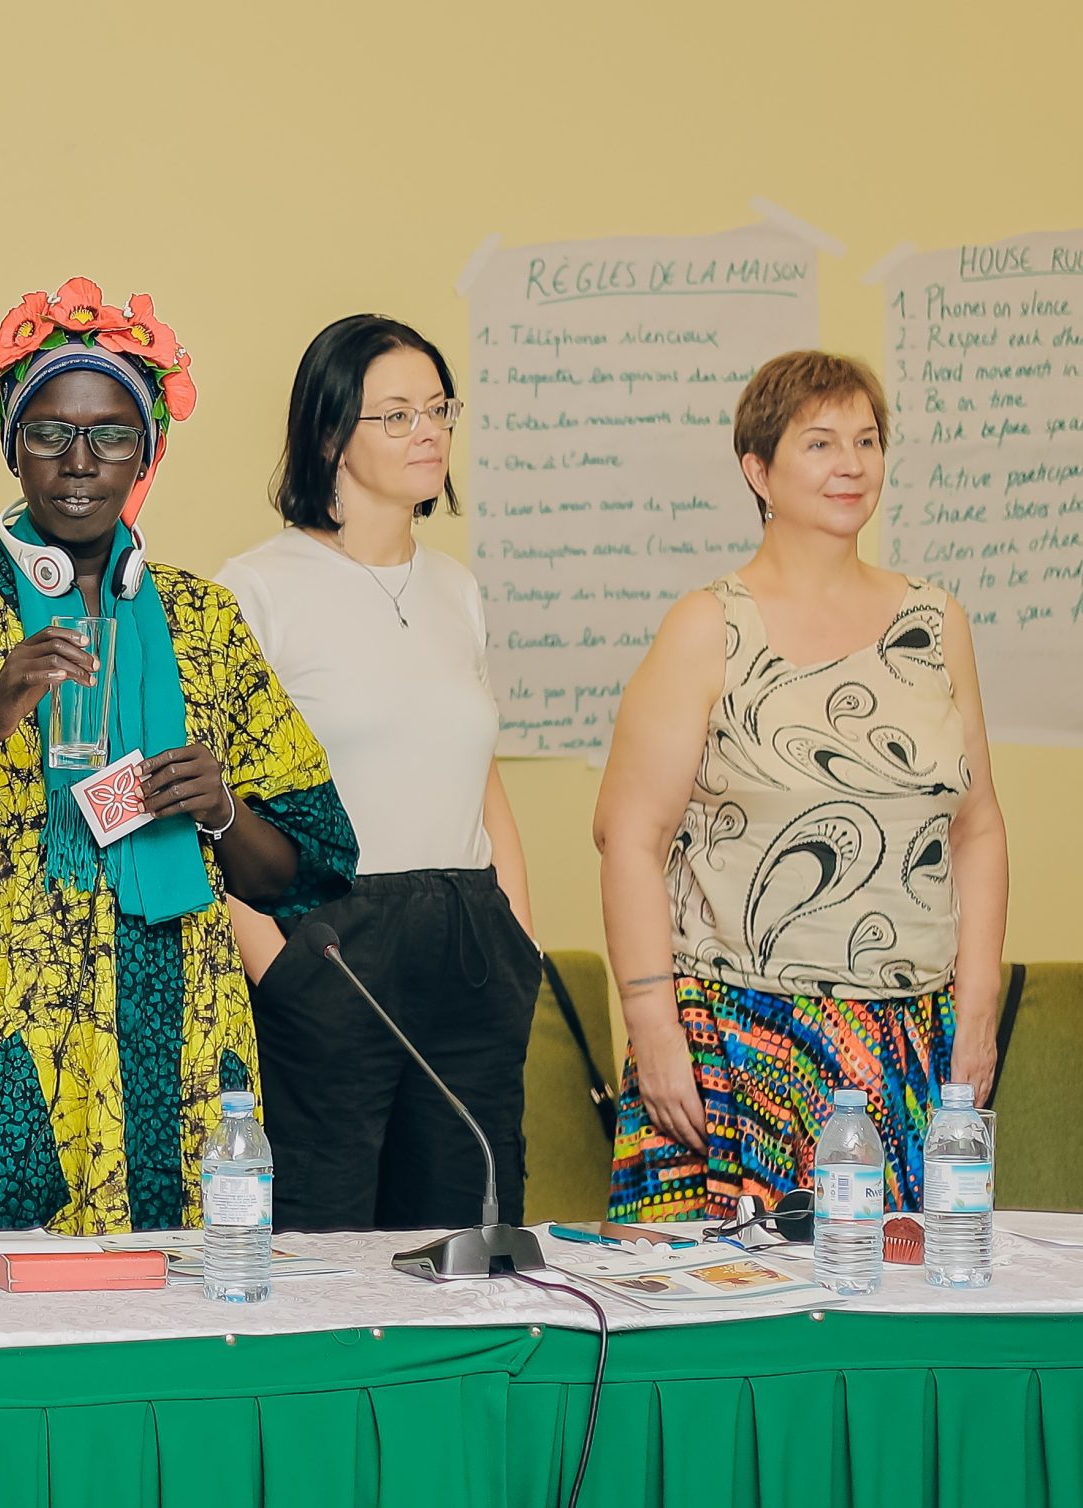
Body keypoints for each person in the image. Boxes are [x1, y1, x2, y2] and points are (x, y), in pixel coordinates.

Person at [0, 278, 357, 1239]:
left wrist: (223, 811)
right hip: (2, 1064)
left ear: (146, 453)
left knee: (183, 1340)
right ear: (13, 445)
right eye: (50, 433)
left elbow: (306, 871)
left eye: (110, 436)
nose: (80, 463)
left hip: (178, 1059)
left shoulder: (205, 623)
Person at [596, 350, 1008, 1221]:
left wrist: (977, 1012)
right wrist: (652, 1027)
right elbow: (627, 837)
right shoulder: (709, 624)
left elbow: (976, 829)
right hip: (735, 1039)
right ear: (760, 471)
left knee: (887, 1327)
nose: (851, 464)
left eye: (867, 440)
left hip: (907, 1043)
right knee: (713, 1334)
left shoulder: (936, 623)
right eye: (820, 443)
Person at [215, 314, 541, 1232]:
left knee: (469, 1240)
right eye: (394, 415)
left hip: (473, 945)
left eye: (438, 409)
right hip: (328, 945)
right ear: (328, 437)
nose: (428, 431)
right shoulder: (255, 589)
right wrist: (276, 969)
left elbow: (481, 775)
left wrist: (521, 937)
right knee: (324, 1245)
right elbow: (214, 803)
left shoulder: (457, 589)